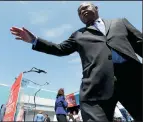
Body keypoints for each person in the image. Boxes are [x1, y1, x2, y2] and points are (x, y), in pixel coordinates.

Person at [10, 2, 142, 121]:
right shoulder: (78, 35)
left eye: (85, 7)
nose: (82, 11)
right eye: (79, 12)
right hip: (95, 88)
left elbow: (140, 43)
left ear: (96, 8)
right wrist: (34, 40)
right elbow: (60, 49)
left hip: (133, 79)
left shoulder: (120, 22)